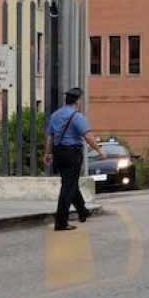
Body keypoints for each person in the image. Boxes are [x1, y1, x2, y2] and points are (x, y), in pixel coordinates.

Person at [45, 87, 107, 231]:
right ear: (77, 101)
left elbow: (50, 137)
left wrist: (48, 153)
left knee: (70, 183)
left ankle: (82, 211)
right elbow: (87, 136)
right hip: (72, 153)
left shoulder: (55, 115)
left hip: (58, 152)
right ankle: (61, 221)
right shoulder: (77, 116)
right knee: (68, 187)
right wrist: (99, 150)